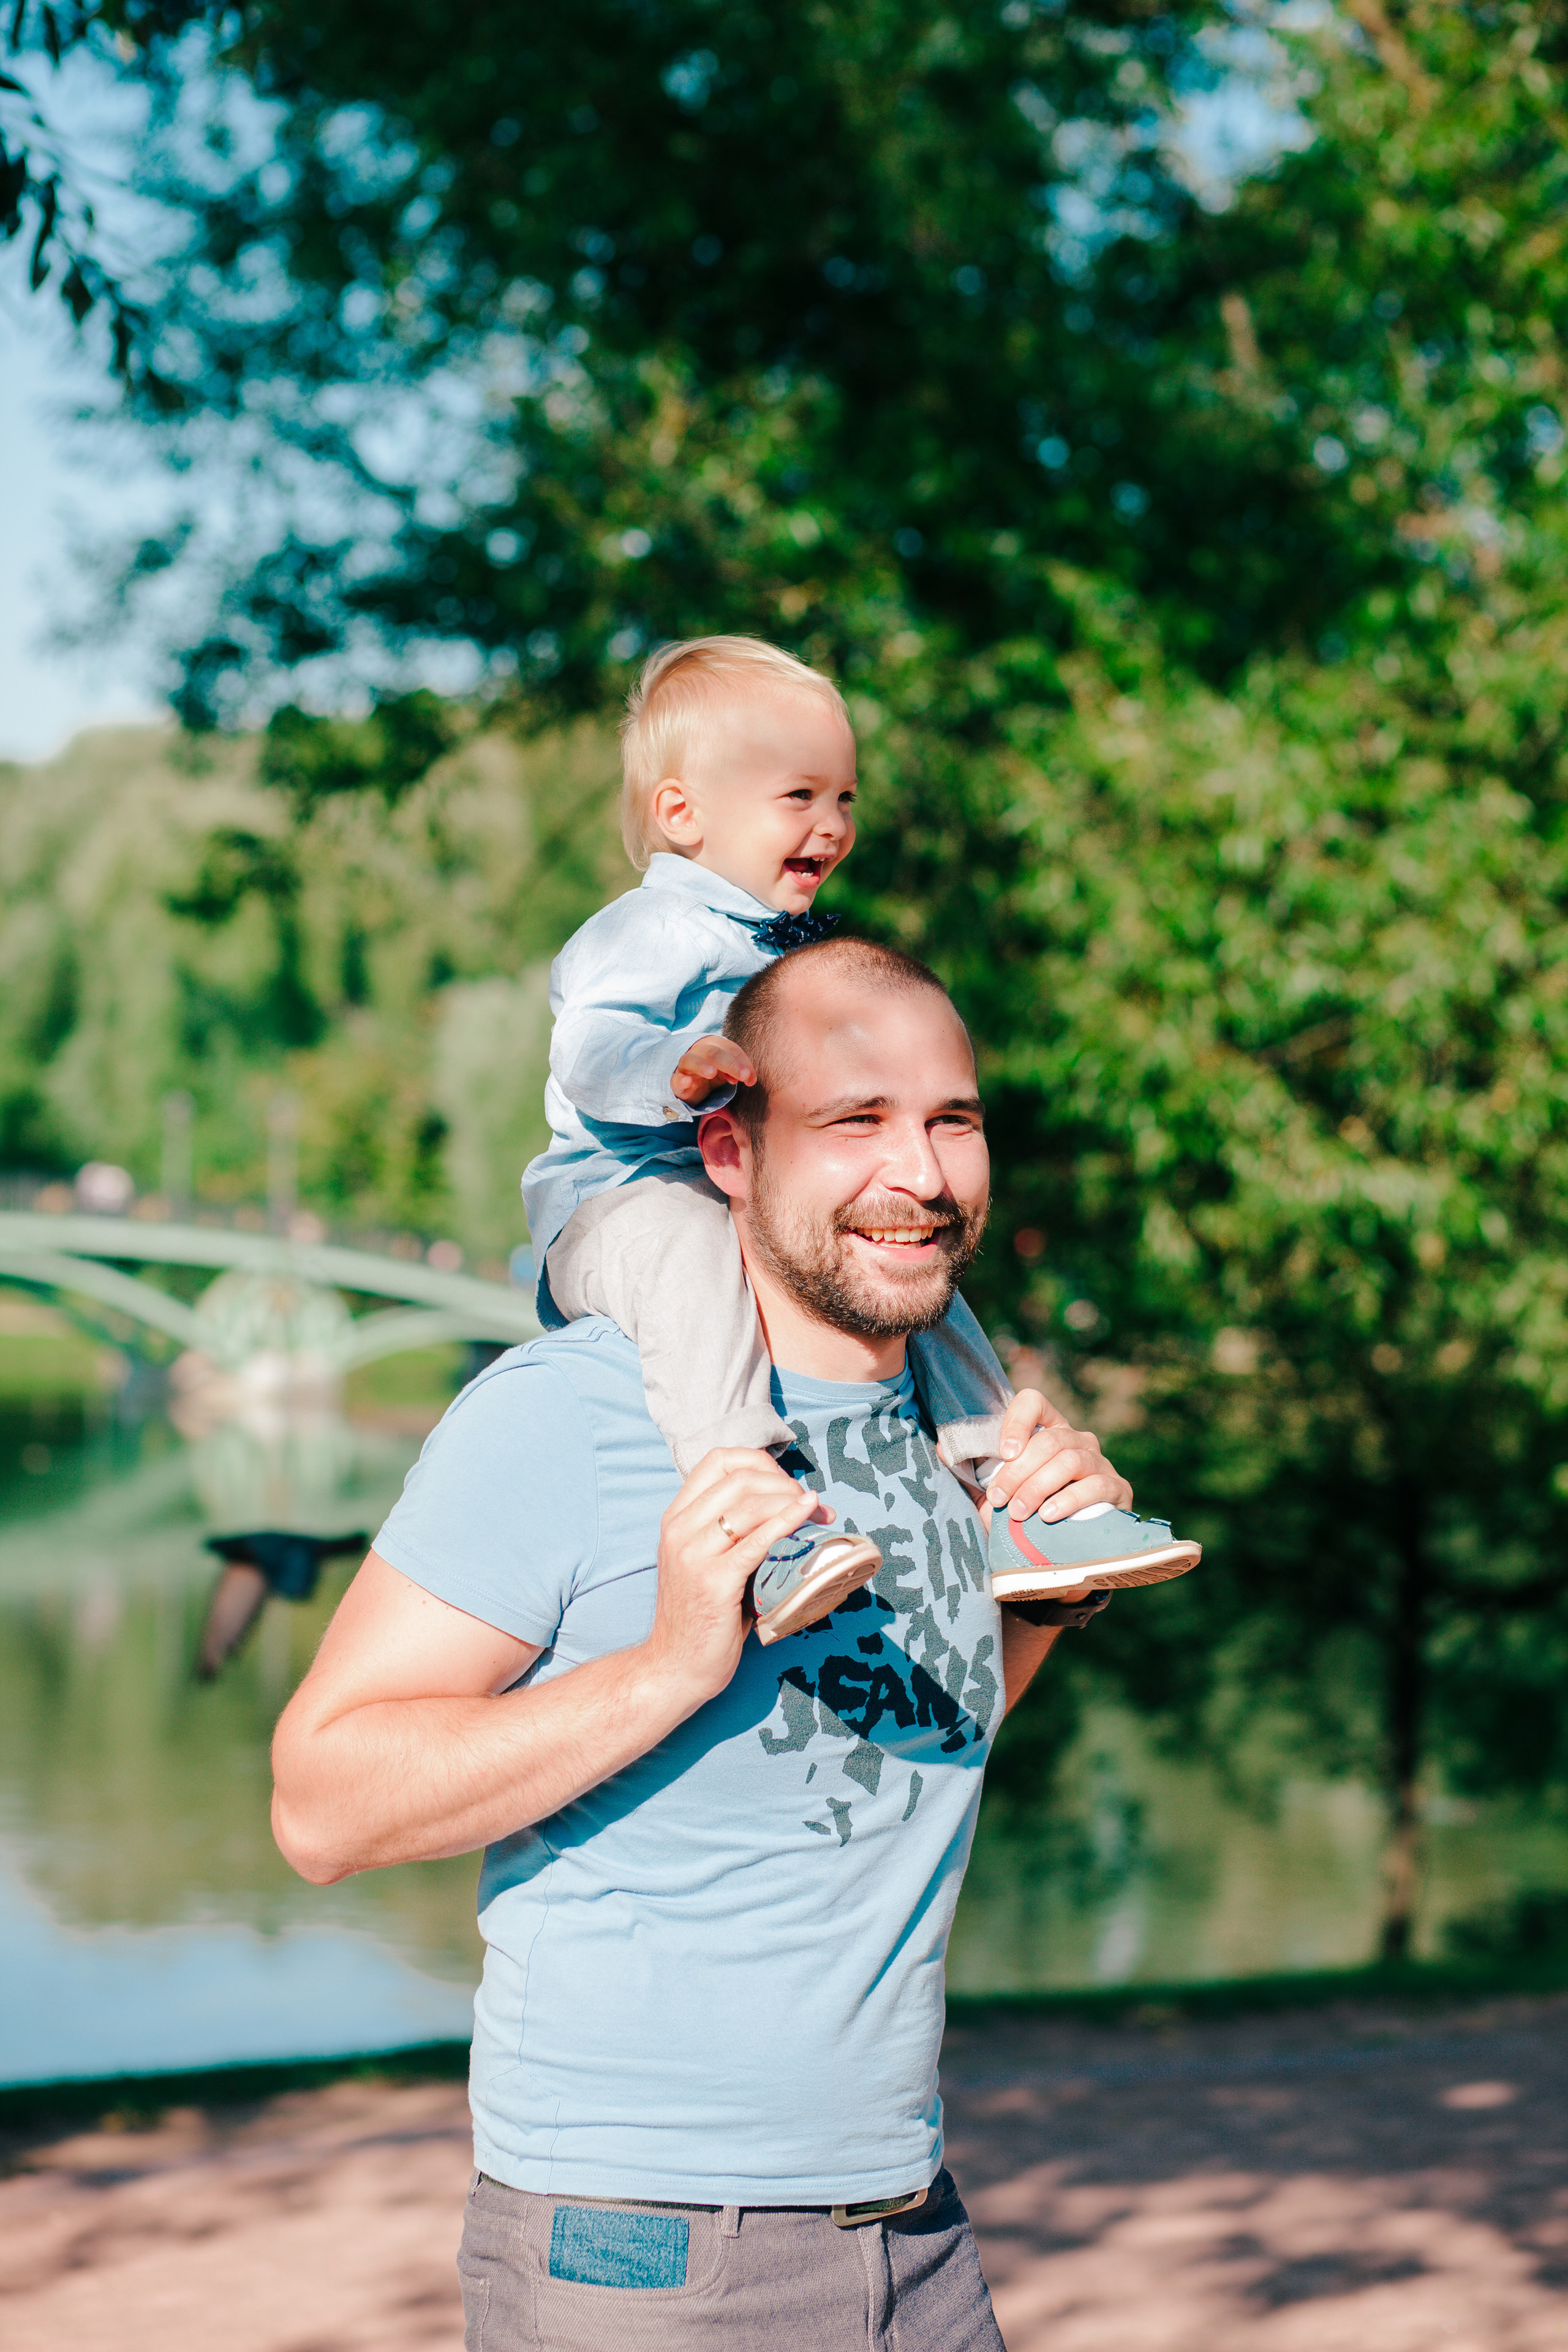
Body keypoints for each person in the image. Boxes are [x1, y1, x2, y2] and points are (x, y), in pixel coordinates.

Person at [271, 937, 1137, 2350]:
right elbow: (319, 1805)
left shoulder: (956, 1425)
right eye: (854, 1122)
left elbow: (910, 1743)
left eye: (951, 1121)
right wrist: (672, 1661)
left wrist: (1042, 1591)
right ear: (727, 1152)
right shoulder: (570, 1413)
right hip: (641, 2260)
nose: (916, 1175)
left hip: (912, 2235)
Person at [521, 634, 1198, 1639]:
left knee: (914, 1264)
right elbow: (590, 1046)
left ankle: (1004, 1489)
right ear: (682, 814)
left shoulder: (798, 946)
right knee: (688, 1250)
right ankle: (751, 1509)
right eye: (799, 797)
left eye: (845, 799)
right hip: (621, 1200)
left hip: (744, 1195)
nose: (832, 826)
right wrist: (676, 1066)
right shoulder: (651, 931)